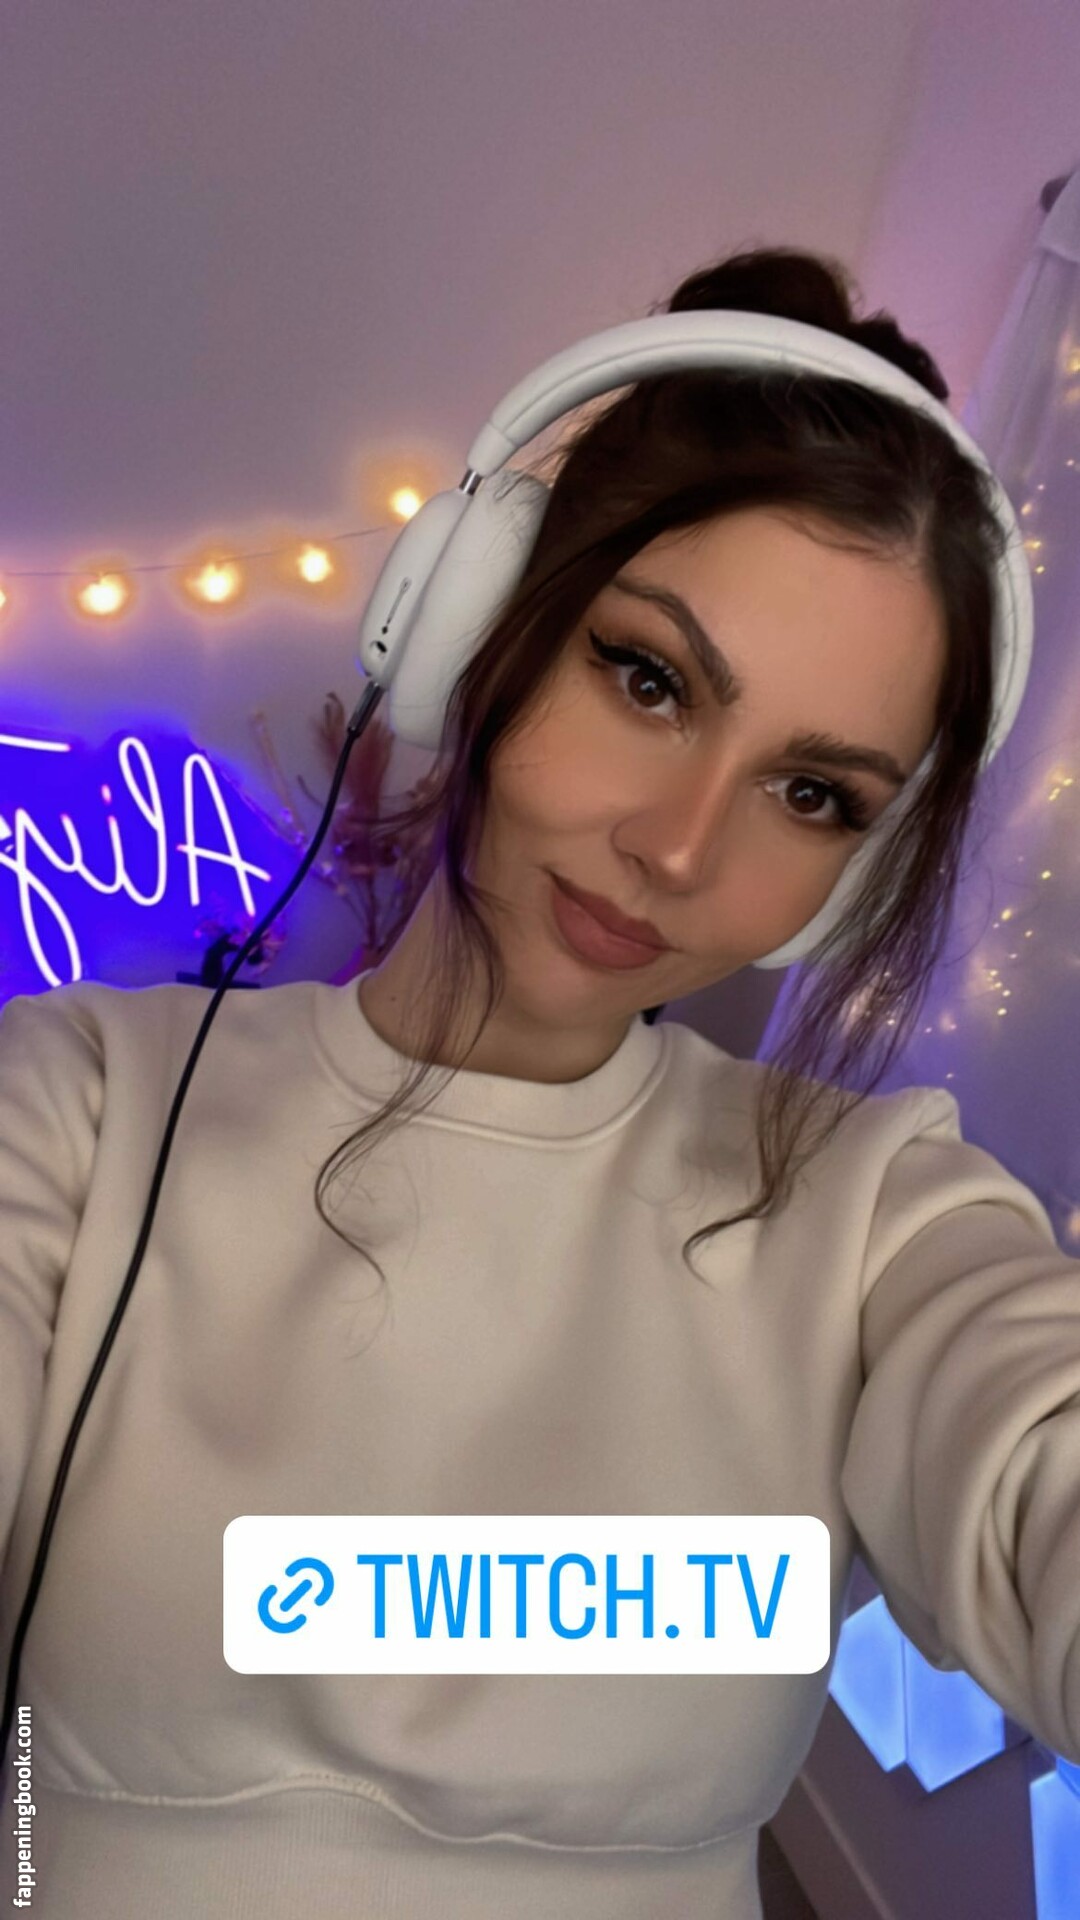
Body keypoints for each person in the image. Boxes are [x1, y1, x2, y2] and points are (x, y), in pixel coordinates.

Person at [1, 246, 1077, 1920]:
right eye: (647, 680)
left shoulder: (874, 1216)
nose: (679, 846)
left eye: (813, 795)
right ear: (479, 622)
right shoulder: (78, 1107)